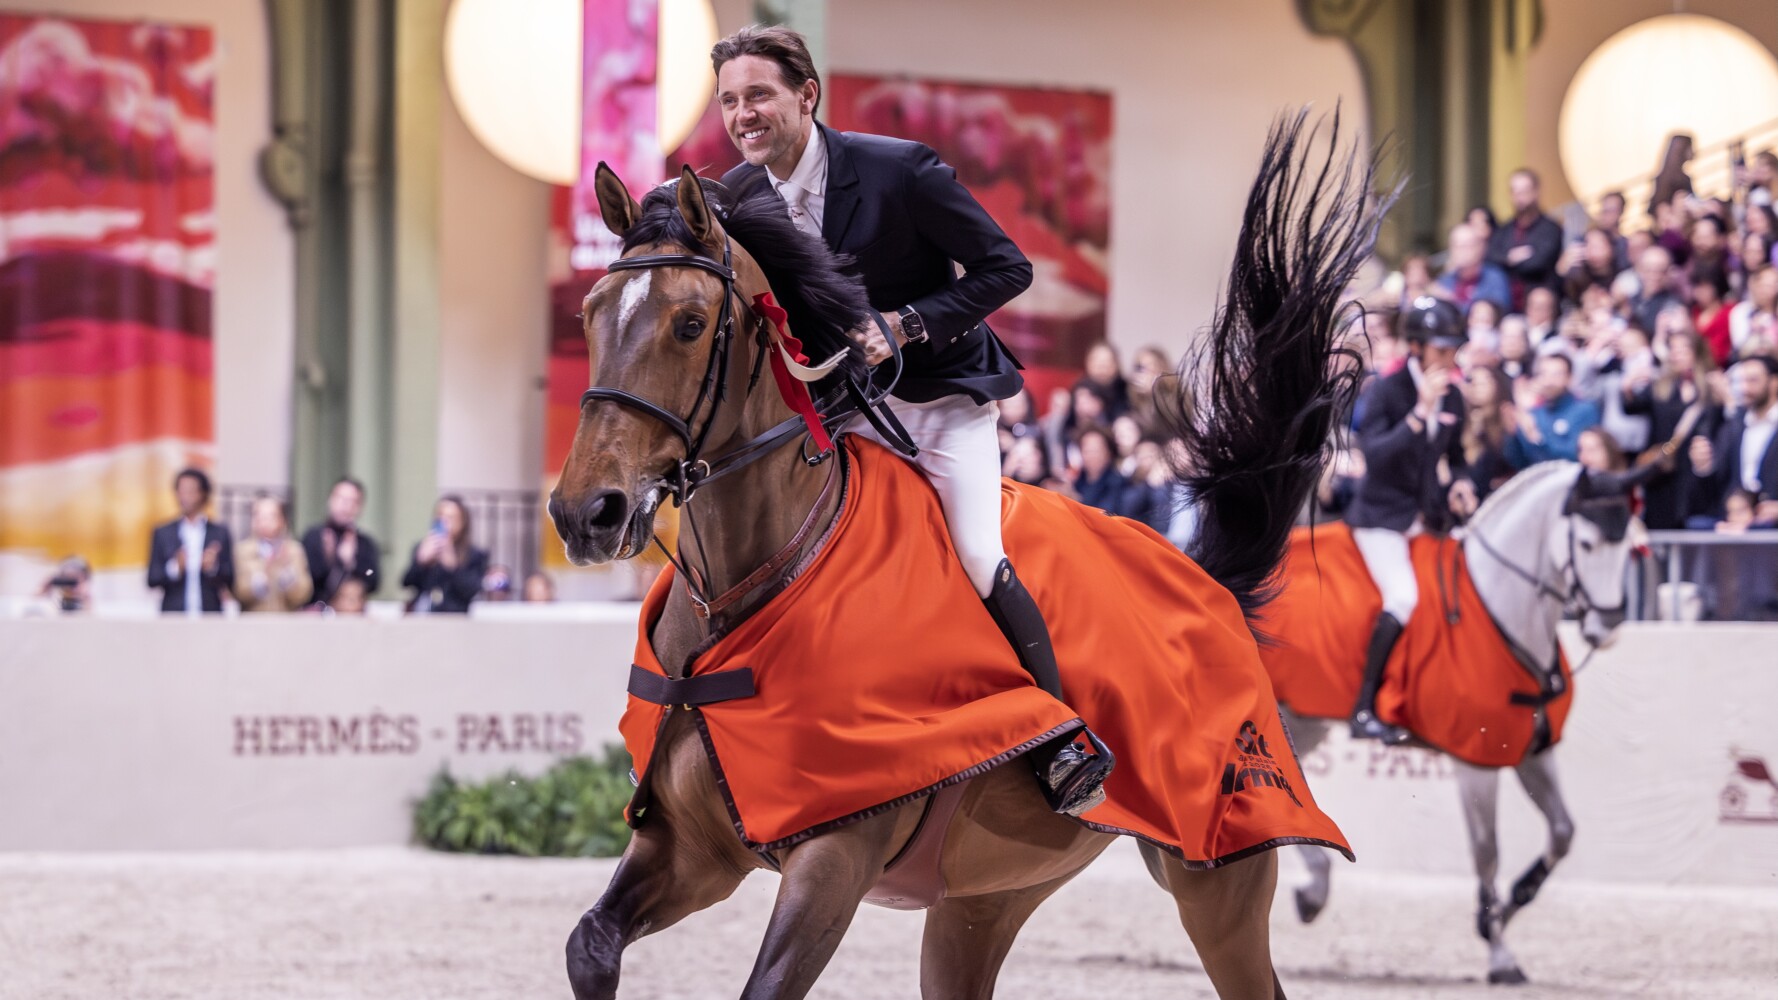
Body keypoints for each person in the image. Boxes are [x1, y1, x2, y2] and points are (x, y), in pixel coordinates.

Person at [714, 24, 1109, 814]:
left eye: (758, 94)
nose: (742, 113)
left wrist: (910, 323)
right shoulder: (737, 198)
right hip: (844, 409)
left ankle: (1059, 738)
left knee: (971, 550)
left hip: (939, 398)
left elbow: (1009, 267)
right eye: (728, 100)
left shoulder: (899, 170)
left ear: (806, 95)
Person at [1342, 298, 1474, 743]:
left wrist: (1461, 483)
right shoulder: (1388, 390)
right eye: (1442, 348)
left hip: (1426, 515)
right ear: (1417, 347)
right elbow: (1374, 455)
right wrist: (1419, 414)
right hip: (1380, 517)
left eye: (1454, 348)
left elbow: (1455, 458)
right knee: (1402, 597)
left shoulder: (1454, 395)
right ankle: (1363, 709)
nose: (1450, 357)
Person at [1688, 356, 1778, 522]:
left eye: (1753, 381)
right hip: (1736, 527)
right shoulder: (1734, 426)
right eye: (1742, 381)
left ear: (1774, 382)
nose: (1745, 388)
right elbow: (1715, 483)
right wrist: (1704, 467)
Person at [146, 468, 234, 615]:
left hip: (209, 613)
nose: (184, 496)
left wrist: (213, 568)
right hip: (174, 615)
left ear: (203, 493)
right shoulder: (163, 532)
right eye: (180, 491)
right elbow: (152, 578)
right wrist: (174, 568)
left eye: (190, 491)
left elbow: (231, 577)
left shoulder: (219, 532)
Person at [1486, 168, 1563, 312]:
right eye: (1514, 191)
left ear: (1536, 192)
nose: (1519, 196)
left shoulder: (1550, 229)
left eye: (1524, 191)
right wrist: (1510, 258)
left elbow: (1537, 263)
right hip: (1507, 305)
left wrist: (1506, 261)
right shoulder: (1504, 230)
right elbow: (1490, 256)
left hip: (1540, 306)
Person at [1507, 353, 1602, 467]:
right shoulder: (1534, 413)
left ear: (1570, 378)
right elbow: (1519, 461)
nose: (1548, 381)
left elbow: (1574, 455)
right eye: (1543, 374)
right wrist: (1512, 434)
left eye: (1556, 375)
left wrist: (1537, 437)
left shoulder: (1585, 410)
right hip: (1538, 480)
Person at [401, 495, 488, 614]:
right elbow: (406, 583)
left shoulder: (475, 554)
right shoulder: (422, 547)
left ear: (462, 522)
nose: (445, 522)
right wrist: (421, 562)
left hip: (455, 616)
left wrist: (453, 567)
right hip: (424, 613)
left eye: (451, 517)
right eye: (440, 516)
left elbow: (472, 590)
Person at [302, 478, 382, 606]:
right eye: (341, 499)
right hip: (316, 612)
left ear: (360, 508)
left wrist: (352, 563)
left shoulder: (364, 543)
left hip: (350, 613)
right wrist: (329, 558)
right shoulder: (313, 537)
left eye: (352, 501)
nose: (345, 506)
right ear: (330, 500)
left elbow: (373, 579)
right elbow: (305, 580)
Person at [233, 495, 313, 612]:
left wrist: (288, 577)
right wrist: (261, 580)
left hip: (286, 620)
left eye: (271, 516)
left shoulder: (293, 550)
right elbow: (237, 591)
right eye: (258, 515)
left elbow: (304, 593)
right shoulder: (243, 550)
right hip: (253, 621)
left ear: (282, 519)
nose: (264, 521)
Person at [1437, 222, 1511, 314]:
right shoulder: (1445, 281)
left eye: (1466, 246)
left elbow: (1495, 314)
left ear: (1480, 248)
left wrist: (1452, 302)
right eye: (1456, 245)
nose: (1460, 251)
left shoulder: (1495, 279)